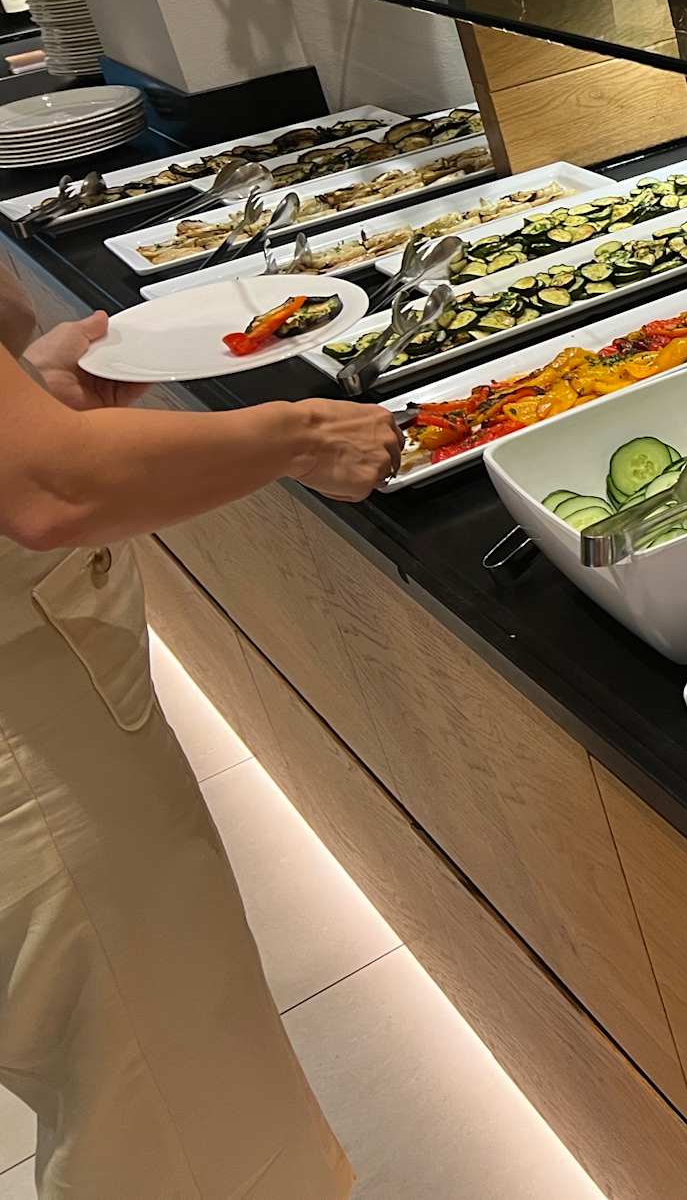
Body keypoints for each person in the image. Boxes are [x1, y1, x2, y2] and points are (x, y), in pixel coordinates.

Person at [0, 261, 400, 1198]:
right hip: (28, 749)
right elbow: (53, 489)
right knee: (173, 1108)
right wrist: (301, 434)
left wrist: (27, 394)